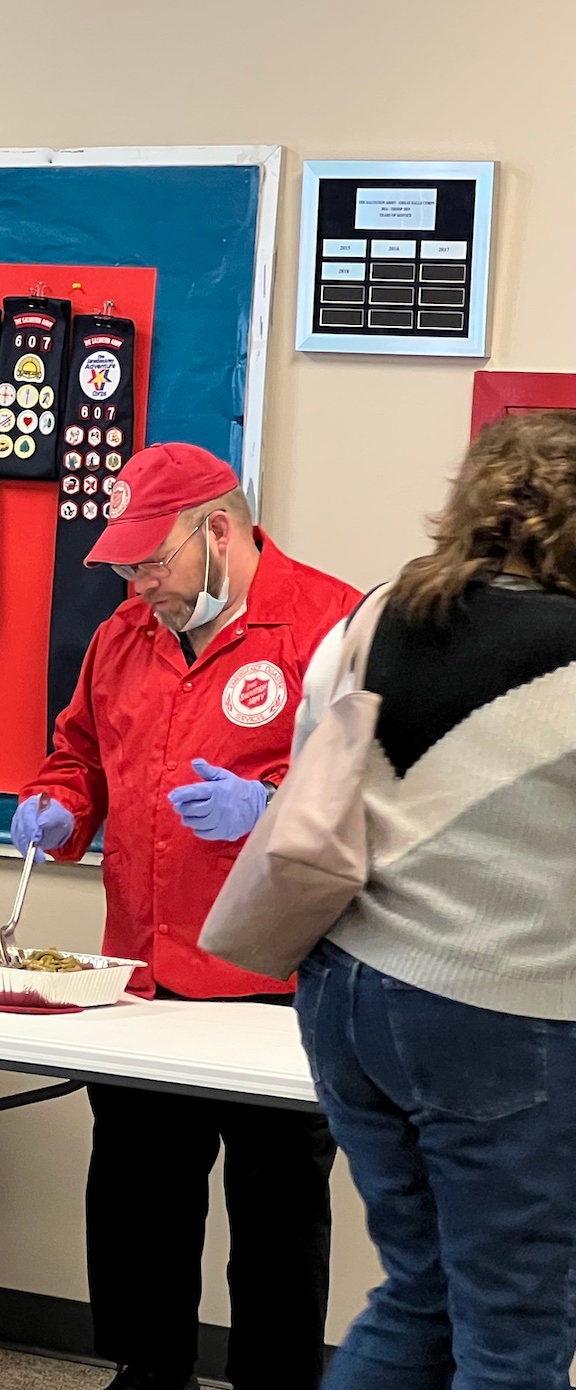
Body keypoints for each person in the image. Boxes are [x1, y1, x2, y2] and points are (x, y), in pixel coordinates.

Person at [13, 442, 358, 1390]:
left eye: (149, 562)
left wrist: (270, 812)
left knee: (277, 1207)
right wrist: (58, 804)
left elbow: (371, 792)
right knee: (136, 1193)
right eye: (123, 566)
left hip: (273, 978)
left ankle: (274, 1381)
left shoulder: (330, 626)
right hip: (142, 971)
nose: (136, 583)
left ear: (217, 531)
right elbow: (78, 755)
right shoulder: (124, 635)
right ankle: (145, 1368)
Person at [291, 411, 576, 1390]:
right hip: (499, 1013)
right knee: (513, 1337)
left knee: (419, 1295)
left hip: (345, 1001)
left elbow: (309, 786)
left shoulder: (367, 620)